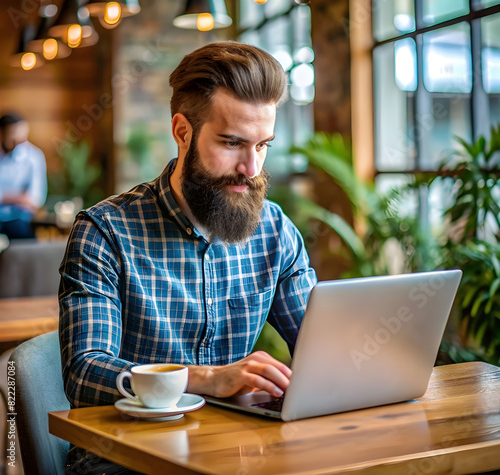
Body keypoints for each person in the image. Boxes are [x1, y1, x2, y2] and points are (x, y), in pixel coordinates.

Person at [59, 41, 317, 474]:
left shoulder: (274, 230)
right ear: (182, 131)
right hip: (124, 458)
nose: (251, 168)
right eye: (233, 143)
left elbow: (321, 345)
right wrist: (206, 379)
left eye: (263, 145)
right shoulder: (105, 232)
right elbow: (85, 373)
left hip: (234, 451)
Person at [0, 113, 47, 239]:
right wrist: (18, 197)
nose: (20, 142)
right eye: (13, 135)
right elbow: (25, 199)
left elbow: (35, 199)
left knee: (27, 244)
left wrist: (4, 196)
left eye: (23, 136)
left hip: (19, 219)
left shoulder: (34, 156)